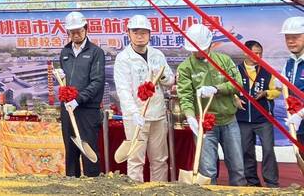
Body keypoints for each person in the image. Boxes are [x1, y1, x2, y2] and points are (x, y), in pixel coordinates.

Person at [176, 23, 246, 186]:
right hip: (205, 125)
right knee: (207, 171)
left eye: (201, 48)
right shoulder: (186, 68)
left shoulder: (224, 60)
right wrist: (190, 116)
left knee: (237, 167)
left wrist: (216, 89)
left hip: (229, 121)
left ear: (209, 45)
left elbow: (237, 84)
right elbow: (185, 95)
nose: (198, 52)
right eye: (194, 49)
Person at [113, 15, 174, 182]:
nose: (140, 36)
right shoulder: (123, 58)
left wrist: (159, 76)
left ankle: (159, 191)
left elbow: (170, 80)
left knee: (160, 160)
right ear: (129, 34)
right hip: (136, 118)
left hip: (158, 115)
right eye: (135, 32)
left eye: (143, 32)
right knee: (135, 160)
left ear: (149, 34)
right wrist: (134, 113)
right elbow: (123, 90)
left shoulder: (157, 55)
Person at [54, 11, 105, 178]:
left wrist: (78, 100)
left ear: (86, 29)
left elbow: (97, 82)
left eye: (79, 30)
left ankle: (93, 183)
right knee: (71, 148)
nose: (76, 34)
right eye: (72, 31)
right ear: (67, 32)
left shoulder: (96, 52)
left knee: (88, 149)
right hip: (68, 108)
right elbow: (66, 81)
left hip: (87, 109)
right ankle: (71, 182)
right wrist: (62, 79)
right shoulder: (65, 52)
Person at [236, 40, 279, 187]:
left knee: (268, 150)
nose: (257, 56)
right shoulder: (236, 70)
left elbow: (278, 91)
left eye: (260, 53)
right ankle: (252, 183)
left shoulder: (268, 71)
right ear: (244, 52)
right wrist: (234, 98)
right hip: (242, 119)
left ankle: (272, 183)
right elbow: (229, 90)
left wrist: (267, 92)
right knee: (246, 152)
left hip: (263, 119)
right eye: (254, 53)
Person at [281, 17, 304, 149]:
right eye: (287, 37)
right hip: (298, 125)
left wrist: (300, 114)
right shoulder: (289, 62)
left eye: (295, 37)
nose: (290, 41)